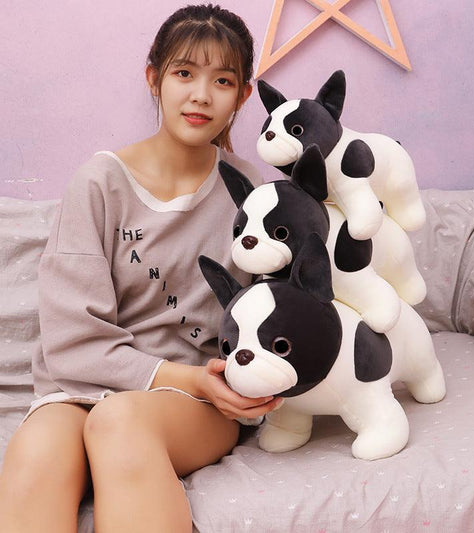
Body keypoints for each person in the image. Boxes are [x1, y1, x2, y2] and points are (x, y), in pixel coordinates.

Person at [0, 4, 282, 532]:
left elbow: (276, 312)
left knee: (120, 421)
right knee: (35, 456)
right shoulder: (98, 183)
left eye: (222, 80)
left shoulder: (255, 197)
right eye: (184, 73)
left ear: (243, 96)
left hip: (194, 399)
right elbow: (72, 342)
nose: (201, 95)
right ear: (154, 78)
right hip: (82, 387)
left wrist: (227, 380)